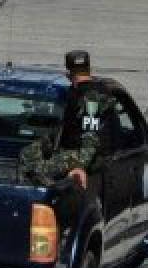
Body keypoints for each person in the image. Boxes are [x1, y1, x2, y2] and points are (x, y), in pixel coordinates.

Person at [19, 50, 117, 188]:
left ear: (69, 74)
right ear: (89, 69)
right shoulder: (81, 92)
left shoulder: (91, 98)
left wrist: (80, 167)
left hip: (89, 156)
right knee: (28, 153)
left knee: (35, 169)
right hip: (75, 150)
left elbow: (91, 137)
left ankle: (45, 195)